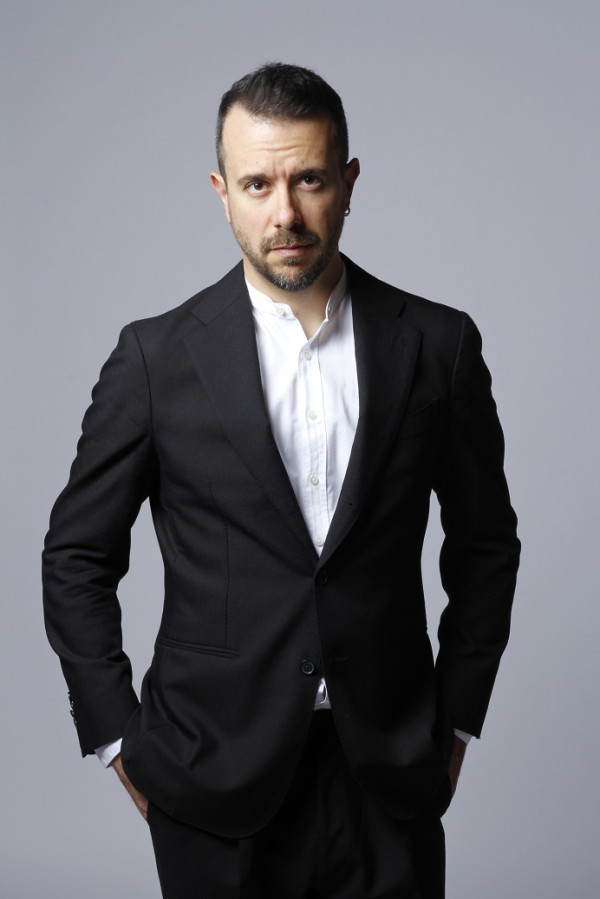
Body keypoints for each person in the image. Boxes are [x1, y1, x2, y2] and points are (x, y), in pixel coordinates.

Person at [42, 63, 520, 898]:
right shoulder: (153, 358)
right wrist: (118, 735)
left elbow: (486, 545)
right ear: (222, 193)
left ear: (349, 182)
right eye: (258, 184)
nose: (285, 213)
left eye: (309, 179)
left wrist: (458, 721)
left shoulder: (438, 345)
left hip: (388, 771)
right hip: (209, 773)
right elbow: (76, 556)